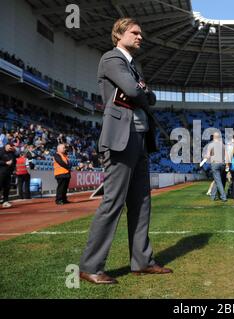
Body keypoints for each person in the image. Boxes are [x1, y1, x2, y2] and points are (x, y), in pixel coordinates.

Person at [79, 17, 171, 285]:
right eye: (135, 32)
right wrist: (142, 90)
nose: (140, 37)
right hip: (121, 138)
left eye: (141, 33)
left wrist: (142, 92)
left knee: (142, 203)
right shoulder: (112, 59)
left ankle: (142, 261)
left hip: (139, 138)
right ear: (119, 34)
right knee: (113, 202)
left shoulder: (133, 66)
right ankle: (91, 266)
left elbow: (147, 96)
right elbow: (134, 89)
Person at [205, 132, 227, 202]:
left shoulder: (211, 145)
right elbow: (226, 155)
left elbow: (208, 156)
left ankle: (223, 196)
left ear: (213, 137)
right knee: (216, 180)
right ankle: (213, 196)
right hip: (222, 164)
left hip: (215, 164)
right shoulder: (223, 145)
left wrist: (206, 157)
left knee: (218, 181)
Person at [0, 143, 16, 208]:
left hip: (8, 172)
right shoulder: (0, 151)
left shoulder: (12, 153)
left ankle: (5, 201)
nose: (11, 148)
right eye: (10, 147)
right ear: (6, 145)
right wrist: (5, 163)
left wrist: (14, 169)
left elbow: (14, 161)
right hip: (1, 172)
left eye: (12, 147)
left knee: (7, 187)